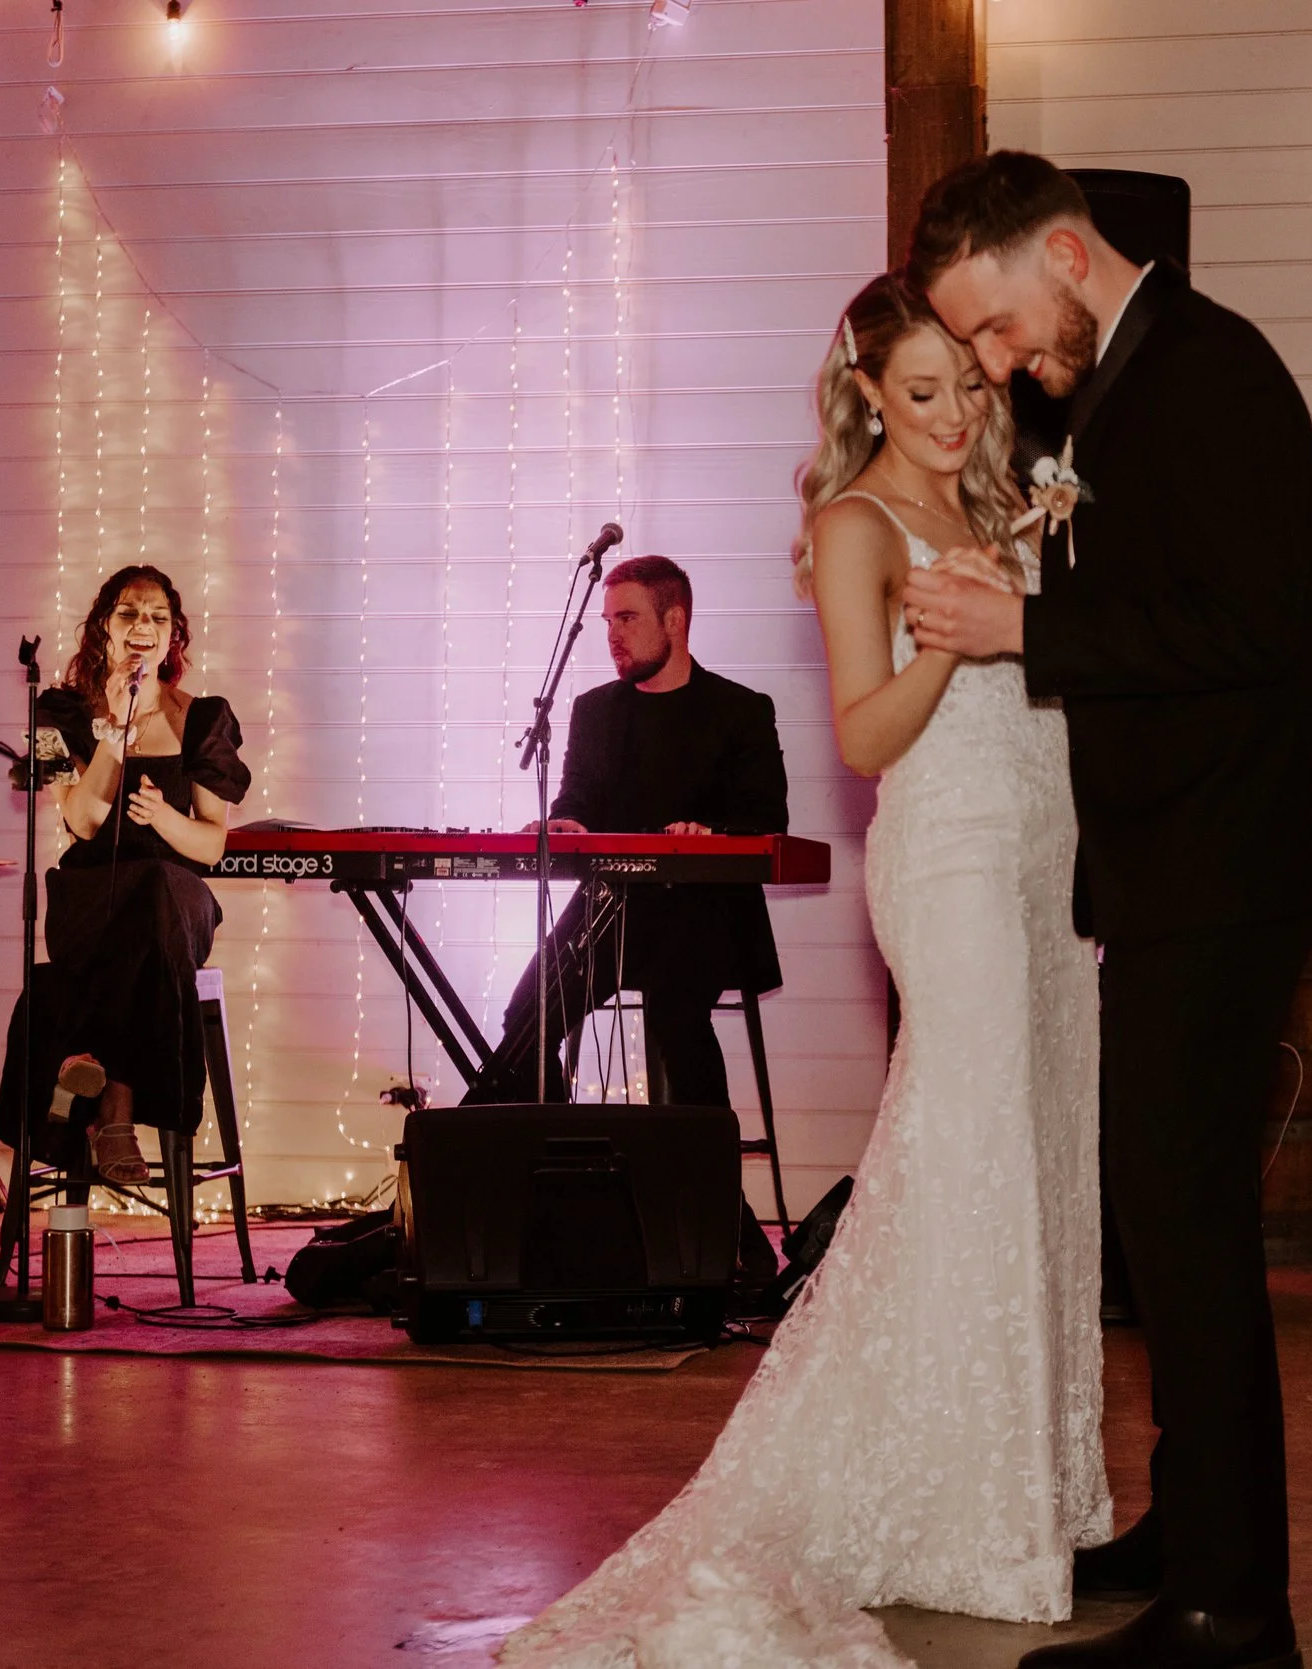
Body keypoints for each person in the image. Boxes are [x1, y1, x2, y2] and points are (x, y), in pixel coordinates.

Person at [499, 274, 1107, 1666]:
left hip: (1041, 860)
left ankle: (1026, 1488)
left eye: (966, 386)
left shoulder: (1006, 507)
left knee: (1045, 1161)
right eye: (920, 393)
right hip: (949, 861)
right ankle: (961, 1509)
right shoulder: (854, 524)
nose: (954, 417)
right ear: (865, 398)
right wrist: (952, 645)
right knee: (972, 1160)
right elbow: (868, 735)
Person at [904, 153, 1312, 1669]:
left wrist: (1025, 625)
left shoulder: (1214, 373)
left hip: (1232, 864)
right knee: (1168, 1228)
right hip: (1182, 864)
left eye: (992, 326)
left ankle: (1233, 1613)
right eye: (971, 343)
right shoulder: (1123, 385)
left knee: (1189, 1230)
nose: (993, 362)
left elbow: (1248, 627)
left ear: (1062, 247)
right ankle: (1196, 1530)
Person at [460, 554, 788, 1122]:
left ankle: (706, 1196)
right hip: (611, 911)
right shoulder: (595, 711)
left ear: (675, 621)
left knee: (676, 1017)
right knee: (527, 1018)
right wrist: (564, 824)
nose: (612, 635)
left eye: (628, 619)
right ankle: (565, 1165)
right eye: (608, 621)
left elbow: (767, 818)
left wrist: (708, 833)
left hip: (703, 913)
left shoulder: (740, 711)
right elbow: (575, 804)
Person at [0, 565, 249, 1187]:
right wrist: (112, 736)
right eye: (130, 614)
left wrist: (164, 817)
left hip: (177, 899)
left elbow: (211, 846)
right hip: (92, 898)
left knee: (161, 890)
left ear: (174, 637)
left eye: (159, 617)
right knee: (145, 916)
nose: (145, 627)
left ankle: (101, 1093)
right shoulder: (58, 712)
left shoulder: (204, 718)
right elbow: (81, 822)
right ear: (103, 628)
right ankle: (111, 1112)